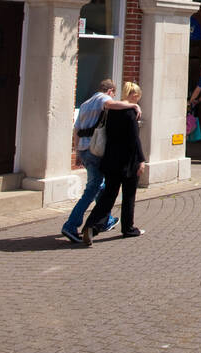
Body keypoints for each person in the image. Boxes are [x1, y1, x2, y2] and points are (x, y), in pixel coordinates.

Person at [61, 79, 138, 244]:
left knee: (102, 187)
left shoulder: (85, 104)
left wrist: (77, 152)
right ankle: (71, 225)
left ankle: (106, 219)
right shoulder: (102, 99)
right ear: (110, 91)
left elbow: (76, 129)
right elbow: (112, 105)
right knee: (93, 188)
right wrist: (132, 106)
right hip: (95, 149)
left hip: (83, 148)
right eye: (113, 94)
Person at [82, 82, 145, 245]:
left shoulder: (111, 112)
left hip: (110, 160)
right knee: (129, 196)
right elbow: (134, 139)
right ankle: (128, 229)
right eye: (138, 97)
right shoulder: (131, 112)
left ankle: (91, 226)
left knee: (108, 196)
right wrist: (141, 160)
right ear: (135, 95)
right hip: (128, 161)